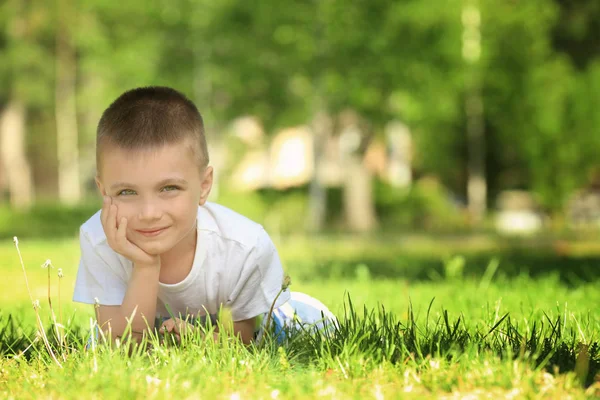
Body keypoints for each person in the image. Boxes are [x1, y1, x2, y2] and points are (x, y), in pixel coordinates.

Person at [72, 86, 335, 345]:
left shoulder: (244, 246)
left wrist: (201, 340)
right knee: (100, 339)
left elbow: (244, 344)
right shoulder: (99, 238)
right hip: (147, 322)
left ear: (204, 185)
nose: (149, 213)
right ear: (103, 190)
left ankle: (295, 307)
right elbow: (122, 346)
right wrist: (145, 266)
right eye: (127, 192)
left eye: (169, 188)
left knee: (283, 335)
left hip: (254, 327)